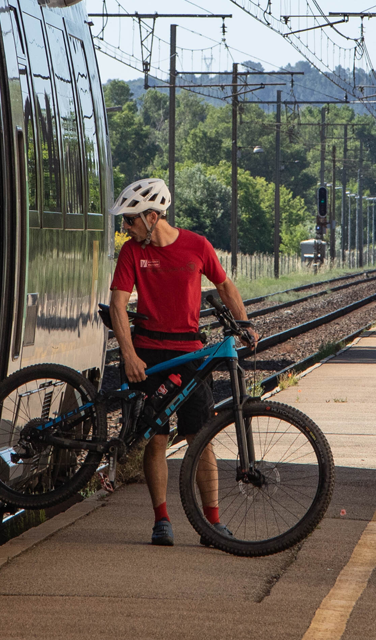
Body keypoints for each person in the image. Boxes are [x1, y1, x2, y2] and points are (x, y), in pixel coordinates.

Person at [107, 178, 258, 547]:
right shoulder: (131, 252)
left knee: (200, 438)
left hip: (190, 355)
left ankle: (213, 523)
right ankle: (162, 520)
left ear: (152, 216)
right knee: (156, 439)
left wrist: (246, 323)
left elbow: (225, 286)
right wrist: (129, 355)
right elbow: (118, 304)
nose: (125, 227)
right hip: (149, 355)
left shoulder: (197, 245)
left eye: (129, 220)